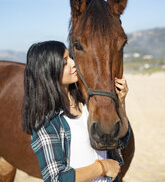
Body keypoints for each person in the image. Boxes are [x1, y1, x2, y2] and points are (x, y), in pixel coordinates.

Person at [22, 40, 130, 182]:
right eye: (65, 62)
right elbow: (56, 178)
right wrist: (102, 168)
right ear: (49, 70)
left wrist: (121, 102)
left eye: (70, 57)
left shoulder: (87, 104)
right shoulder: (47, 122)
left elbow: (121, 140)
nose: (74, 63)